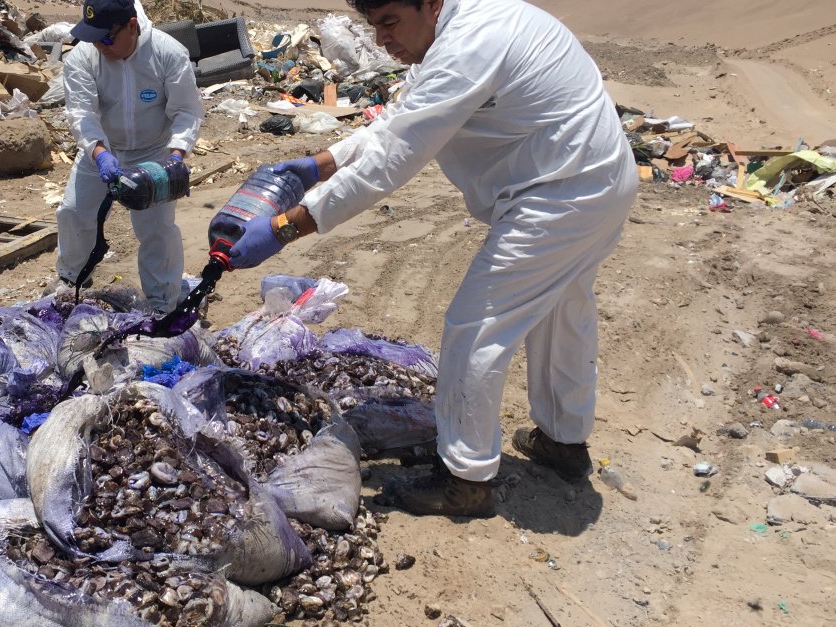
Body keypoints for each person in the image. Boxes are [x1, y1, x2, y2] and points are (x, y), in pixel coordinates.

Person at [226, 0, 638, 517]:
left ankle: (465, 480)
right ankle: (563, 441)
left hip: (561, 196)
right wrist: (320, 163)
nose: (380, 39)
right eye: (373, 25)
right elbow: (401, 121)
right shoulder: (461, 30)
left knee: (476, 326)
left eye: (390, 21)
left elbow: (397, 156)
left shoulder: (470, 44)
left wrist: (286, 227)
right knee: (562, 313)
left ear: (431, 3)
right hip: (596, 180)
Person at [56, 0, 203, 312]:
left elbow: (187, 112)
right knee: (74, 212)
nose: (100, 46)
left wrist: (175, 158)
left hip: (154, 151)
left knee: (157, 229)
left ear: (132, 26)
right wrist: (99, 153)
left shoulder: (168, 53)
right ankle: (71, 281)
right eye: (93, 37)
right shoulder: (83, 57)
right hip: (103, 148)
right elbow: (82, 114)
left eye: (106, 38)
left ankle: (162, 302)